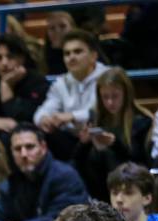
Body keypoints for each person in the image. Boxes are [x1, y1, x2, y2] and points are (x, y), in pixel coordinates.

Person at [75, 69, 154, 202]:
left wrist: (115, 144)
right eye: (105, 97)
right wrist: (83, 143)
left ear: (126, 94)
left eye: (115, 96)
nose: (110, 102)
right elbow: (77, 162)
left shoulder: (142, 121)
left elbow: (141, 164)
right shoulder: (95, 120)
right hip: (98, 191)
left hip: (131, 191)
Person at [34, 29, 108, 161]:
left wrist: (72, 116)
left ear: (93, 56)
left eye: (77, 52)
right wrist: (44, 119)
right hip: (73, 141)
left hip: (103, 138)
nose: (71, 57)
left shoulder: (107, 77)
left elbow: (103, 111)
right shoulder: (61, 82)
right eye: (67, 53)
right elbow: (41, 112)